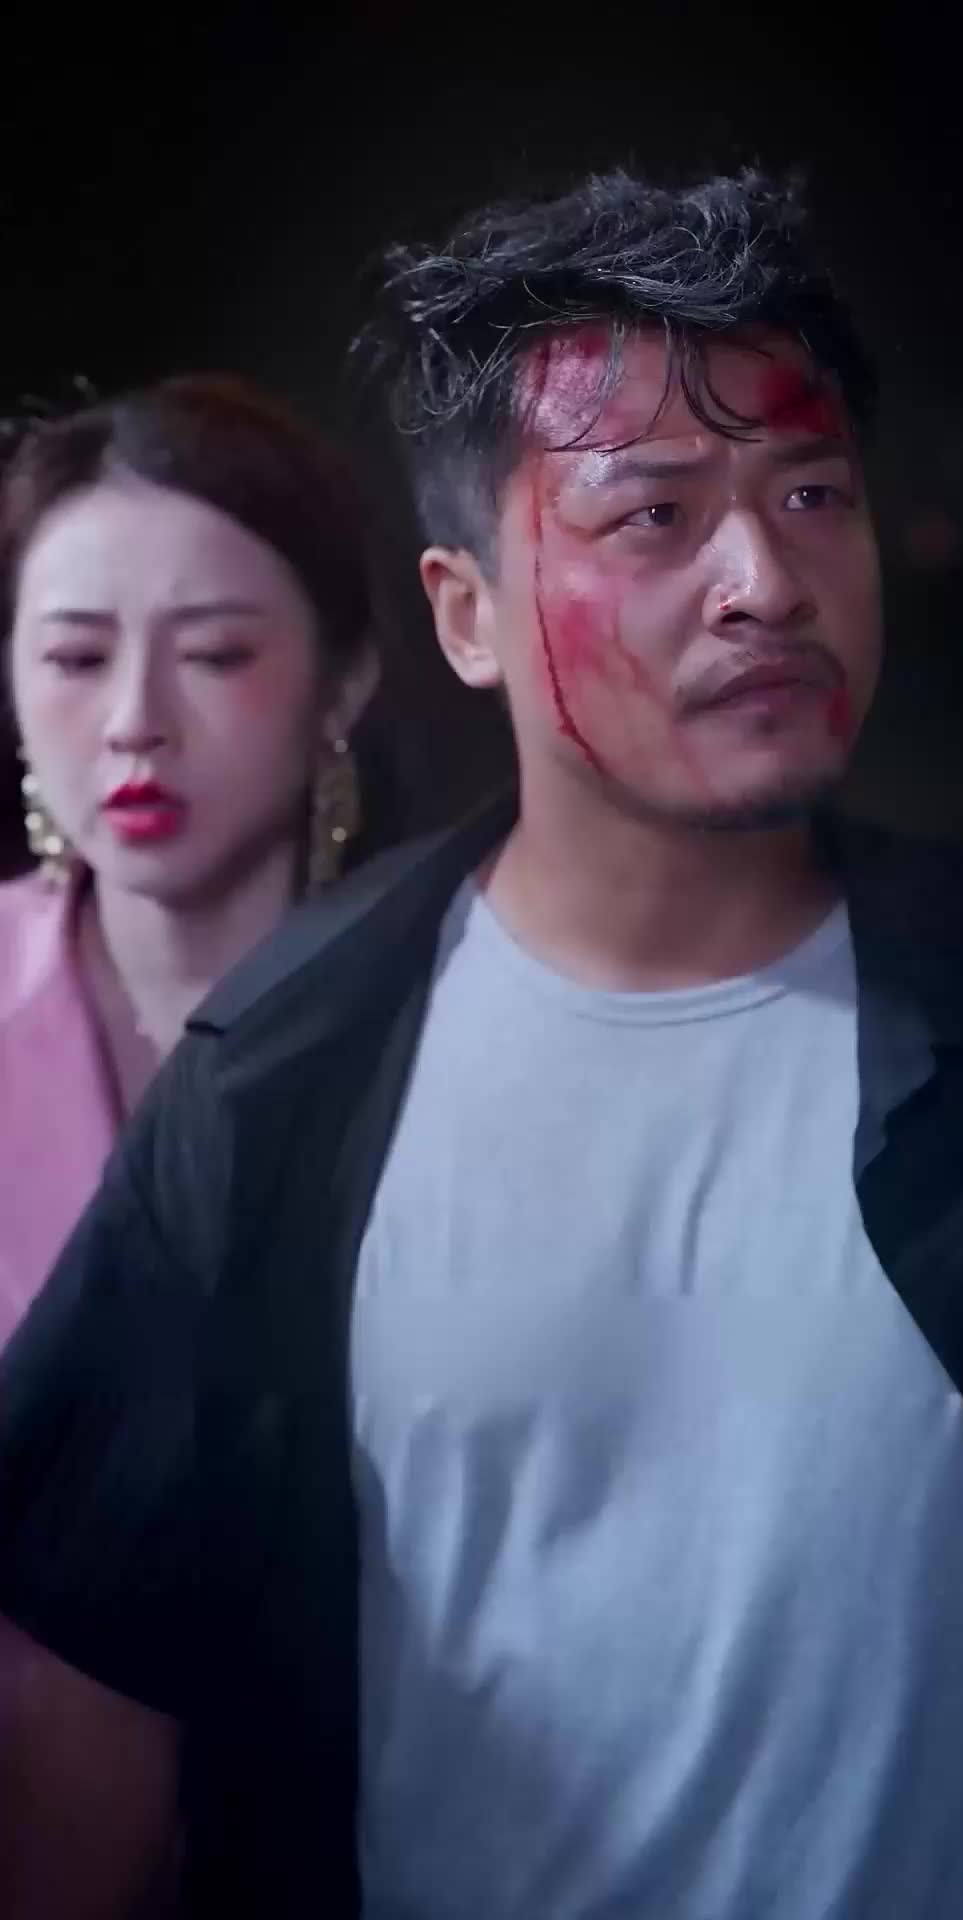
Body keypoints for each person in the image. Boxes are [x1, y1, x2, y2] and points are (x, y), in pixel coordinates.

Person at [1, 172, 963, 1919]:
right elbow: (92, 1750)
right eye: (652, 515)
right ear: (465, 613)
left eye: (813, 494)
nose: (764, 581)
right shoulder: (282, 1084)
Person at [0, 373, 378, 1912]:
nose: (135, 721)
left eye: (216, 653)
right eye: (74, 656)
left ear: (346, 680)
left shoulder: (460, 1021)